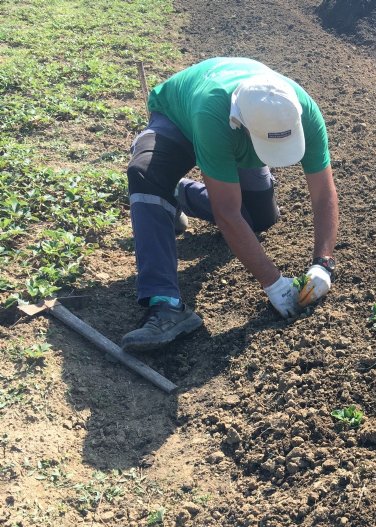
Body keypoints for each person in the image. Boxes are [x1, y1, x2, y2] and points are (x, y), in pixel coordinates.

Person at [121, 57, 338, 352]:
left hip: (233, 129)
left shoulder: (301, 110)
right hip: (180, 117)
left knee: (259, 218)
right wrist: (274, 283)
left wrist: (323, 264)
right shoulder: (215, 117)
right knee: (146, 173)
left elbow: (324, 193)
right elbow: (226, 213)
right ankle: (165, 304)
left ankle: (175, 194)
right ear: (244, 128)